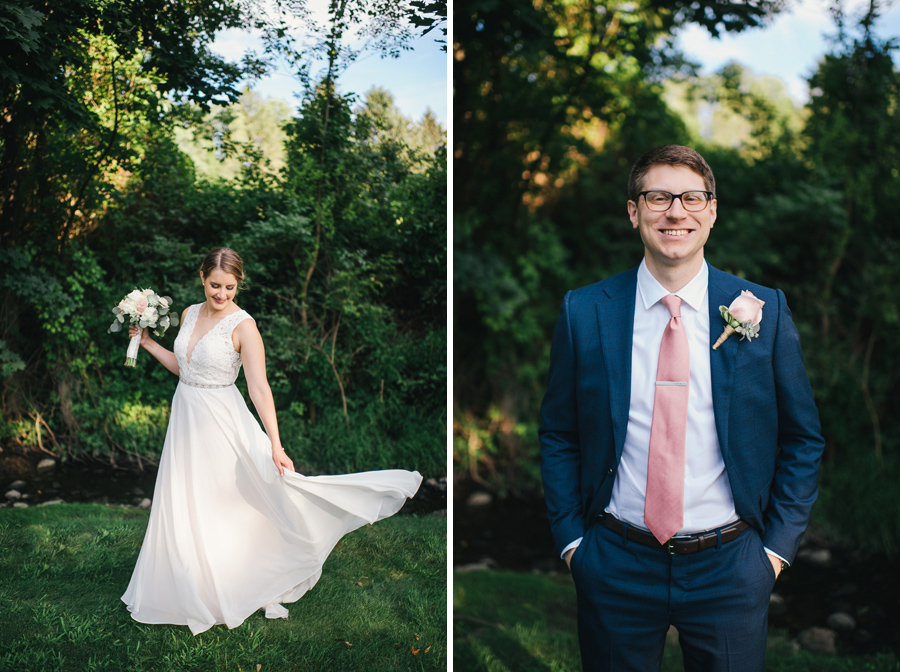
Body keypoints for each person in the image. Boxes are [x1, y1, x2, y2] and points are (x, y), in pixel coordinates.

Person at [539, 145, 824, 671]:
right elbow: (559, 433)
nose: (676, 211)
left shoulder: (767, 310)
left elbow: (803, 438)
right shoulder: (584, 311)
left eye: (692, 197)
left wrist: (774, 552)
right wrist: (574, 544)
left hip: (732, 566)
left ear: (711, 211)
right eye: (658, 197)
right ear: (634, 211)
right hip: (615, 561)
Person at [120, 247, 422, 635]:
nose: (222, 294)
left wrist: (276, 445)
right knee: (187, 499)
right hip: (186, 417)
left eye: (230, 287)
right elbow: (186, 367)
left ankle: (238, 578)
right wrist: (146, 344)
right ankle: (186, 582)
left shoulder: (244, 326)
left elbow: (259, 389)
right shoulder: (189, 313)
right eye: (215, 285)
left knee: (235, 499)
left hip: (222, 421)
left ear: (238, 284)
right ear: (202, 278)